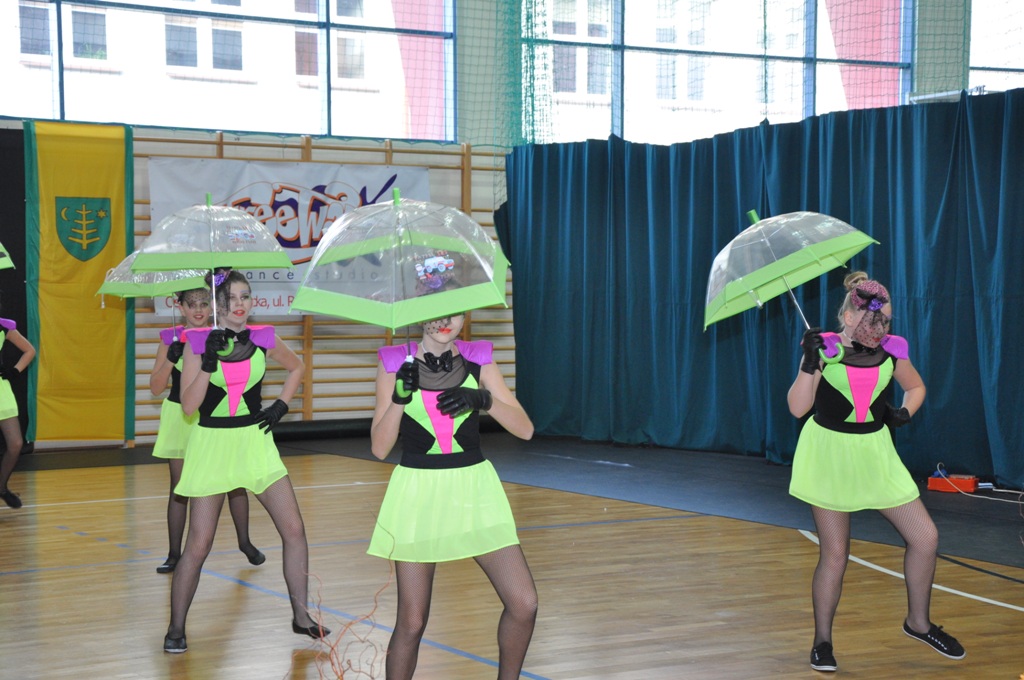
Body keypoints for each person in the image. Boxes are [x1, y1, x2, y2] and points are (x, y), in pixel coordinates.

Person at [787, 271, 965, 672]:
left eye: (886, 320)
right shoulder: (825, 348)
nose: (880, 327)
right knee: (836, 555)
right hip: (829, 456)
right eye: (873, 319)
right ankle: (822, 642)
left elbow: (916, 387)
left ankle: (918, 623)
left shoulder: (892, 350)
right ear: (849, 317)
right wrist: (809, 363)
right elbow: (798, 408)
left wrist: (904, 412)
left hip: (876, 454)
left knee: (926, 538)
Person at [163, 269, 329, 653]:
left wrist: (281, 405)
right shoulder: (196, 343)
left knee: (294, 528)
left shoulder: (263, 337)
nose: (240, 305)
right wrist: (207, 362)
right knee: (199, 544)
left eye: (245, 297)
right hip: (212, 444)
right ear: (217, 305)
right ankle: (175, 627)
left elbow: (297, 367)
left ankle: (301, 616)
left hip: (256, 442)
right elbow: (188, 406)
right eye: (231, 299)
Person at [368, 312, 539, 680]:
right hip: (417, 495)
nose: (446, 320)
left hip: (475, 492)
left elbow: (525, 430)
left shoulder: (480, 359)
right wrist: (399, 399)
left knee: (524, 603)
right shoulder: (394, 363)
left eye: (455, 311)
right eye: (436, 312)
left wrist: (484, 399)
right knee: (412, 621)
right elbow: (380, 448)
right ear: (419, 314)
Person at [149, 287, 264, 573]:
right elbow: (155, 388)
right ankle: (174, 554)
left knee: (235, 481)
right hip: (181, 417)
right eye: (192, 305)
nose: (198, 310)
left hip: (214, 418)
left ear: (213, 305)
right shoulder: (170, 338)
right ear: (180, 307)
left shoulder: (221, 336)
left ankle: (245, 542)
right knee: (180, 488)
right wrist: (171, 358)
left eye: (204, 303)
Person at [0, 316, 36, 509]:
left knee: (15, 443)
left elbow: (30, 351)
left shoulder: (3, 328)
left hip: (1, 392)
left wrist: (14, 371)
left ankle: (1, 488)